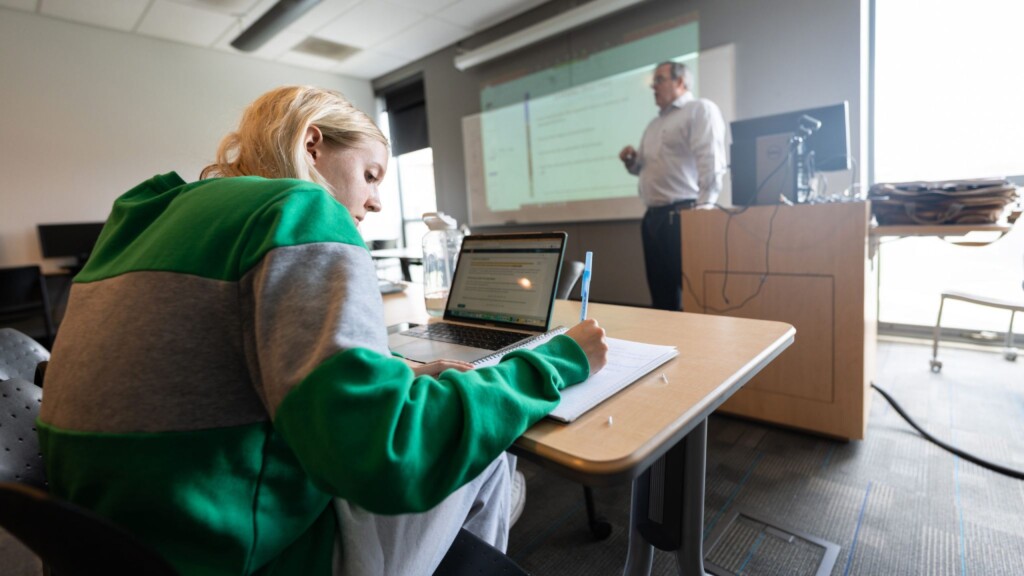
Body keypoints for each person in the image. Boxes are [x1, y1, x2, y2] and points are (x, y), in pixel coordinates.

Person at [38, 86, 608, 576]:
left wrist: (392, 380)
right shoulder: (297, 208)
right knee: (489, 438)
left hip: (111, 547)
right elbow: (387, 453)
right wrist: (554, 360)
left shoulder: (144, 215)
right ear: (312, 144)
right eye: (370, 174)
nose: (377, 199)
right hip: (253, 558)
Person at [619, 61, 726, 311]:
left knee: (693, 297)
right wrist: (632, 162)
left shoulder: (699, 110)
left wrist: (703, 214)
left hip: (683, 216)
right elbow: (642, 168)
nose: (653, 87)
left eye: (659, 80)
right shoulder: (654, 125)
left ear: (680, 82)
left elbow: (710, 162)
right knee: (661, 300)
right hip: (653, 219)